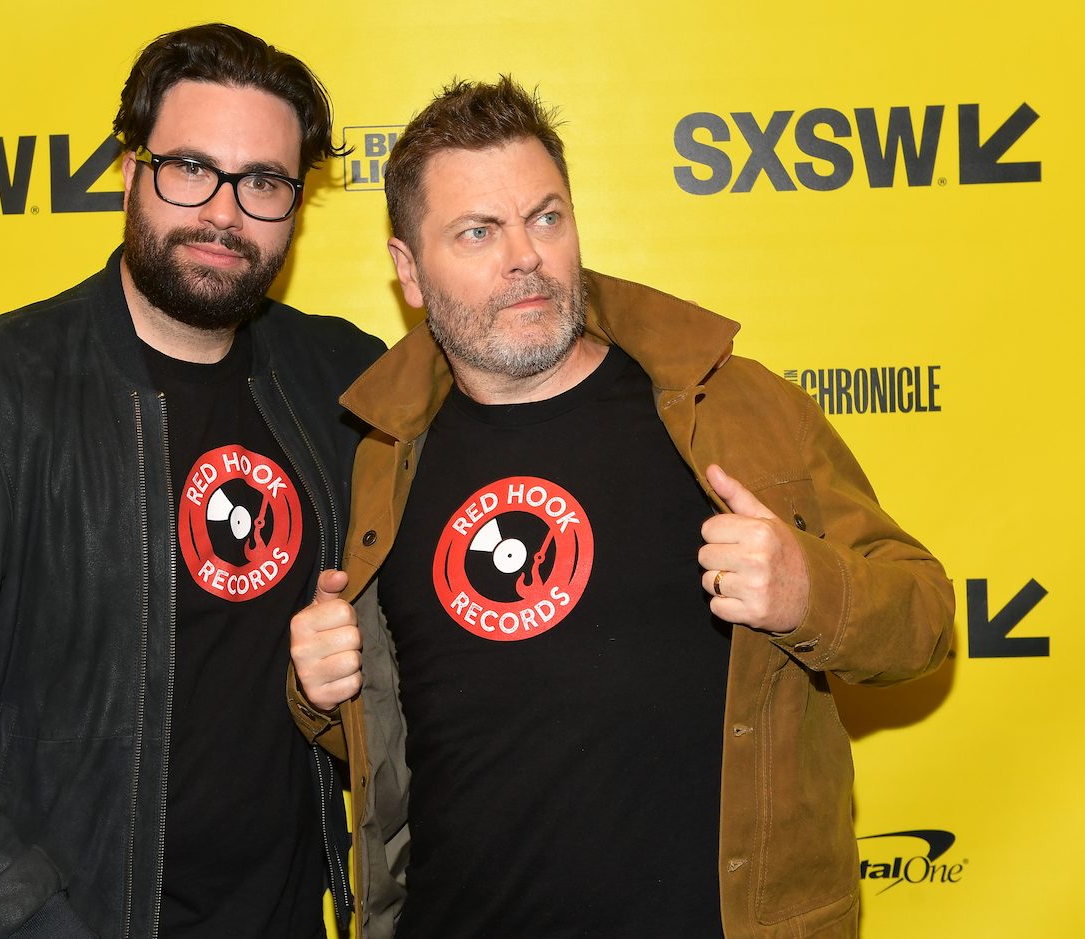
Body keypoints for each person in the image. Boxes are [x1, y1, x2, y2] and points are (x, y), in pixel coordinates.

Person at [288, 77, 953, 939]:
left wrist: (810, 591)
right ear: (410, 271)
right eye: (478, 231)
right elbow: (405, 739)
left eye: (546, 216)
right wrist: (318, 688)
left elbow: (927, 621)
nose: (524, 255)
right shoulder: (377, 453)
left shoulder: (732, 410)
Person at [0, 23, 383, 939]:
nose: (225, 212)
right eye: (190, 168)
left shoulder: (343, 381)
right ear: (130, 172)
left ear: (296, 203)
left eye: (265, 183)